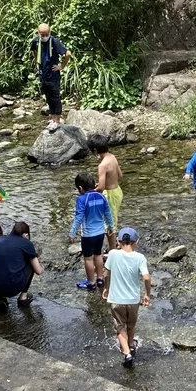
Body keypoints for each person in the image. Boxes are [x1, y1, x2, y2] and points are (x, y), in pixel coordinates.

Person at [102, 227, 150, 369]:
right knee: (131, 324)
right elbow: (146, 278)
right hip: (133, 300)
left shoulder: (113, 254)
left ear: (118, 241)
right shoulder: (140, 258)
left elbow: (106, 273)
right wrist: (147, 294)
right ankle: (130, 345)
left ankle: (127, 353)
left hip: (116, 299)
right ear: (136, 242)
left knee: (119, 326)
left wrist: (106, 288)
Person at [69, 173, 114, 291]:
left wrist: (72, 232)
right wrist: (110, 226)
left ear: (80, 188)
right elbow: (108, 213)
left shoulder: (82, 199)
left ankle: (91, 282)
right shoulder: (102, 196)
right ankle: (100, 278)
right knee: (98, 255)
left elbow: (79, 217)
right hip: (100, 233)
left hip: (88, 235)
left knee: (88, 258)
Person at [0, 221, 42, 312]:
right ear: (26, 235)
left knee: (0, 263)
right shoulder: (26, 243)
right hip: (11, 289)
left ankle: (0, 297)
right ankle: (23, 297)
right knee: (32, 263)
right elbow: (38, 271)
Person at [29, 23, 71, 131]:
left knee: (55, 97)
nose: (44, 36)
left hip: (53, 74)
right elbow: (33, 50)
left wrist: (61, 66)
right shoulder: (36, 41)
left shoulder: (54, 42)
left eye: (46, 34)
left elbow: (67, 54)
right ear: (38, 33)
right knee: (48, 97)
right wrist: (37, 63)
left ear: (50, 32)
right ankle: (52, 119)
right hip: (43, 74)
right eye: (42, 34)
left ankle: (57, 121)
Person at [90, 135, 123, 251]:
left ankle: (112, 250)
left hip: (109, 195)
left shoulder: (102, 165)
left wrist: (90, 191)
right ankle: (114, 245)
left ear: (95, 150)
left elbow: (102, 187)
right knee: (112, 220)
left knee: (109, 224)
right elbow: (120, 175)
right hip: (117, 191)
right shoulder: (113, 157)